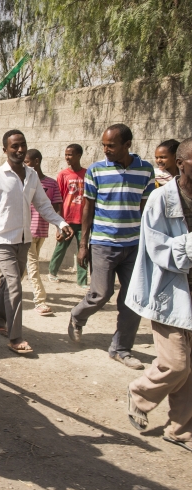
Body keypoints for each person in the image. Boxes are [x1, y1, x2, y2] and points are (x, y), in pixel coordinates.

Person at [0, 130, 73, 355]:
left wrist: (60, 222)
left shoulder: (31, 176)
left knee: (8, 281)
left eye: (22, 145)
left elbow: (43, 204)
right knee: (14, 284)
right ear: (5, 150)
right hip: (1, 239)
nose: (19, 150)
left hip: (23, 239)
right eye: (14, 147)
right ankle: (15, 337)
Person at [125, 137, 192, 453]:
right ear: (181, 163)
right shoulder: (161, 200)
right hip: (169, 293)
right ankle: (140, 392)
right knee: (177, 363)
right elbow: (160, 251)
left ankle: (181, 429)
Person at [69, 124, 155, 369]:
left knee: (132, 300)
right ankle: (77, 314)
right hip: (103, 244)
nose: (105, 150)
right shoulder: (96, 171)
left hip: (134, 245)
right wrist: (83, 244)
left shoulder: (146, 170)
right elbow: (88, 208)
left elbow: (146, 209)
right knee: (101, 294)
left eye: (111, 146)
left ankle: (120, 349)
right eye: (103, 145)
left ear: (127, 145)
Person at [23, 149, 62, 316]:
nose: (25, 165)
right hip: (27, 230)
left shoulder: (51, 184)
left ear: (36, 161)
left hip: (42, 230)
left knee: (27, 267)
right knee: (33, 266)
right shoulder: (24, 182)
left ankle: (6, 291)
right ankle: (40, 300)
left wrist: (60, 226)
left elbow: (57, 206)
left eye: (27, 162)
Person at [48, 144, 89, 288]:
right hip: (67, 219)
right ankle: (52, 272)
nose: (67, 157)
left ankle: (82, 281)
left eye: (70, 154)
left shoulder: (87, 174)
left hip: (83, 220)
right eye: (66, 154)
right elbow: (58, 200)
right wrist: (59, 224)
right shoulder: (63, 175)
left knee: (83, 249)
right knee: (60, 248)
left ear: (79, 155)